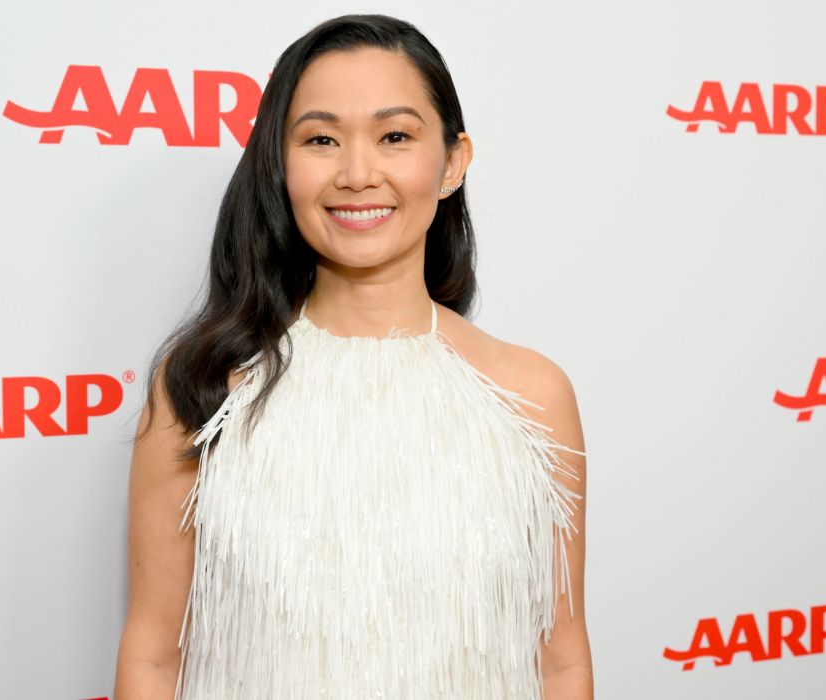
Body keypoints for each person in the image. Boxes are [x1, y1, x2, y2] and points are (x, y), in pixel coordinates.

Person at [113, 13, 592, 700]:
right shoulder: (203, 390)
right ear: (280, 164)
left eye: (395, 136)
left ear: (452, 162)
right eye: (321, 139)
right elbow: (155, 657)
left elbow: (560, 659)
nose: (358, 174)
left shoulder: (532, 395)